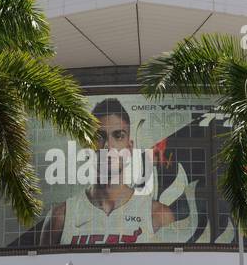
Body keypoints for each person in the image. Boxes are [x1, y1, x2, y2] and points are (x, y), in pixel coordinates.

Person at [36, 98, 174, 246]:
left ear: (129, 148)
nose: (108, 146)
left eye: (118, 136)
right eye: (99, 137)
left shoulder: (157, 215)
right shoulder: (60, 216)